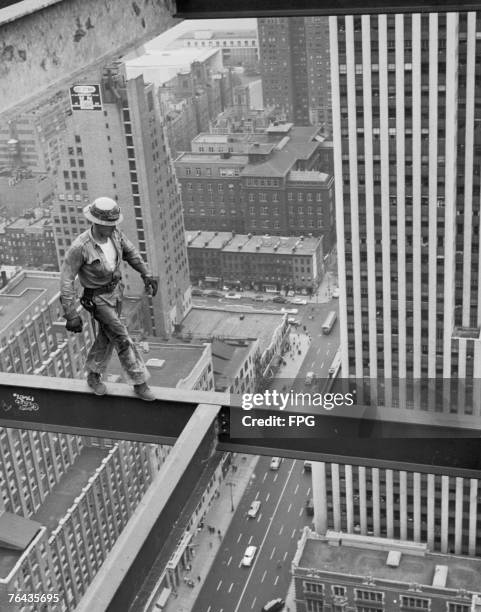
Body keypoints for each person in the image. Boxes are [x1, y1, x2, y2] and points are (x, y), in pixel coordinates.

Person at [60, 197, 158, 401]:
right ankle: (139, 382)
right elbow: (66, 279)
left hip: (116, 293)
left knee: (107, 336)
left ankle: (93, 375)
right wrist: (70, 314)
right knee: (122, 337)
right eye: (107, 224)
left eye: (113, 223)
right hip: (97, 299)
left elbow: (131, 253)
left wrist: (146, 274)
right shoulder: (81, 247)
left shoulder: (116, 235)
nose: (112, 227)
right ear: (95, 222)